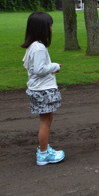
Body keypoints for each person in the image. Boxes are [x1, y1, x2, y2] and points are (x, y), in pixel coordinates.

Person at [22, 12, 65, 166]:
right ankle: (43, 154)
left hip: (39, 89)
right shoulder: (39, 48)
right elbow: (39, 69)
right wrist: (55, 66)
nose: (52, 29)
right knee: (45, 122)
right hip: (43, 90)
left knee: (47, 120)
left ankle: (44, 148)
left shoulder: (33, 46)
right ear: (42, 28)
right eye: (49, 26)